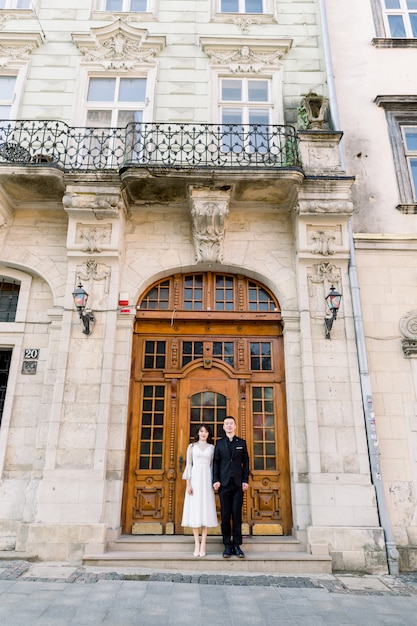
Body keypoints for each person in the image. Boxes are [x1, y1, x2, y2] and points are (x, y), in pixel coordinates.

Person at [213, 415, 249, 558]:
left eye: (231, 423)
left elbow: (246, 462)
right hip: (224, 484)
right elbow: (216, 463)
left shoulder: (242, 442)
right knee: (225, 515)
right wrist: (215, 480)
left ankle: (237, 545)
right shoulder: (219, 444)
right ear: (223, 427)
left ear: (235, 426)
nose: (229, 425)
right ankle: (227, 545)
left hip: (238, 484)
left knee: (237, 515)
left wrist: (245, 480)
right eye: (226, 423)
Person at [181, 424, 218, 557]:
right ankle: (196, 544)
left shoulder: (212, 448)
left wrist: (214, 482)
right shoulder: (192, 447)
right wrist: (188, 484)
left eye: (206, 431)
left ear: (209, 434)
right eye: (201, 431)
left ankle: (204, 545)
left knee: (205, 510)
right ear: (198, 433)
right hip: (195, 480)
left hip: (207, 479)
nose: (204, 433)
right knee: (195, 510)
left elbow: (213, 467)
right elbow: (189, 465)